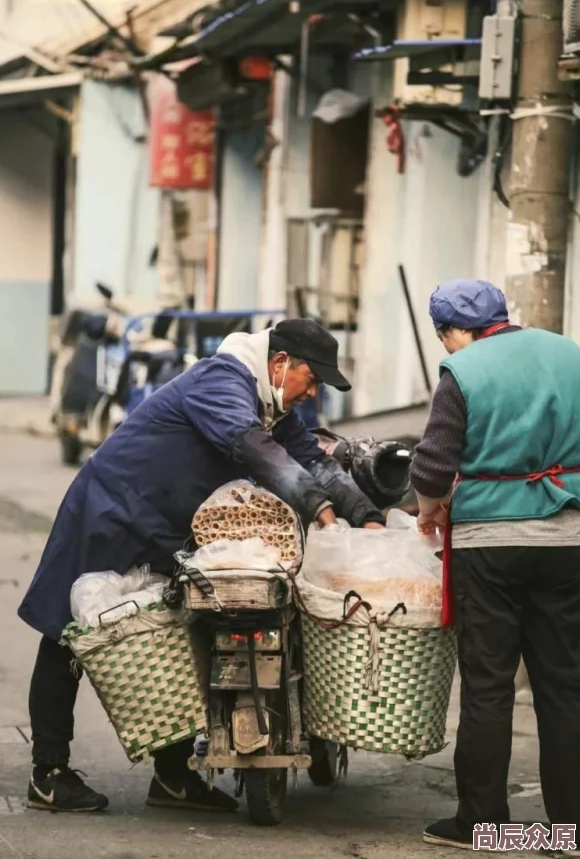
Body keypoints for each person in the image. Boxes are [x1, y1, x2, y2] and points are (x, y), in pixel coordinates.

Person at [19, 318, 385, 814]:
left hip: (167, 526)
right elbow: (255, 448)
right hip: (113, 507)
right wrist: (319, 508)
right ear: (280, 364)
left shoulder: (271, 407)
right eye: (312, 380)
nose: (313, 392)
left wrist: (367, 517)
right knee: (68, 631)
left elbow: (315, 462)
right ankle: (49, 772)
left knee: (180, 630)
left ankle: (172, 778)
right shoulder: (223, 381)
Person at [410, 279, 580, 851]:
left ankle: (485, 825)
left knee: (488, 686)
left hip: (491, 544)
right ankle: (569, 830)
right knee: (565, 687)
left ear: (455, 331)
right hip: (569, 539)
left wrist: (429, 510)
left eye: (445, 336)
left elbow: (433, 465)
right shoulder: (570, 353)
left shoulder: (464, 371)